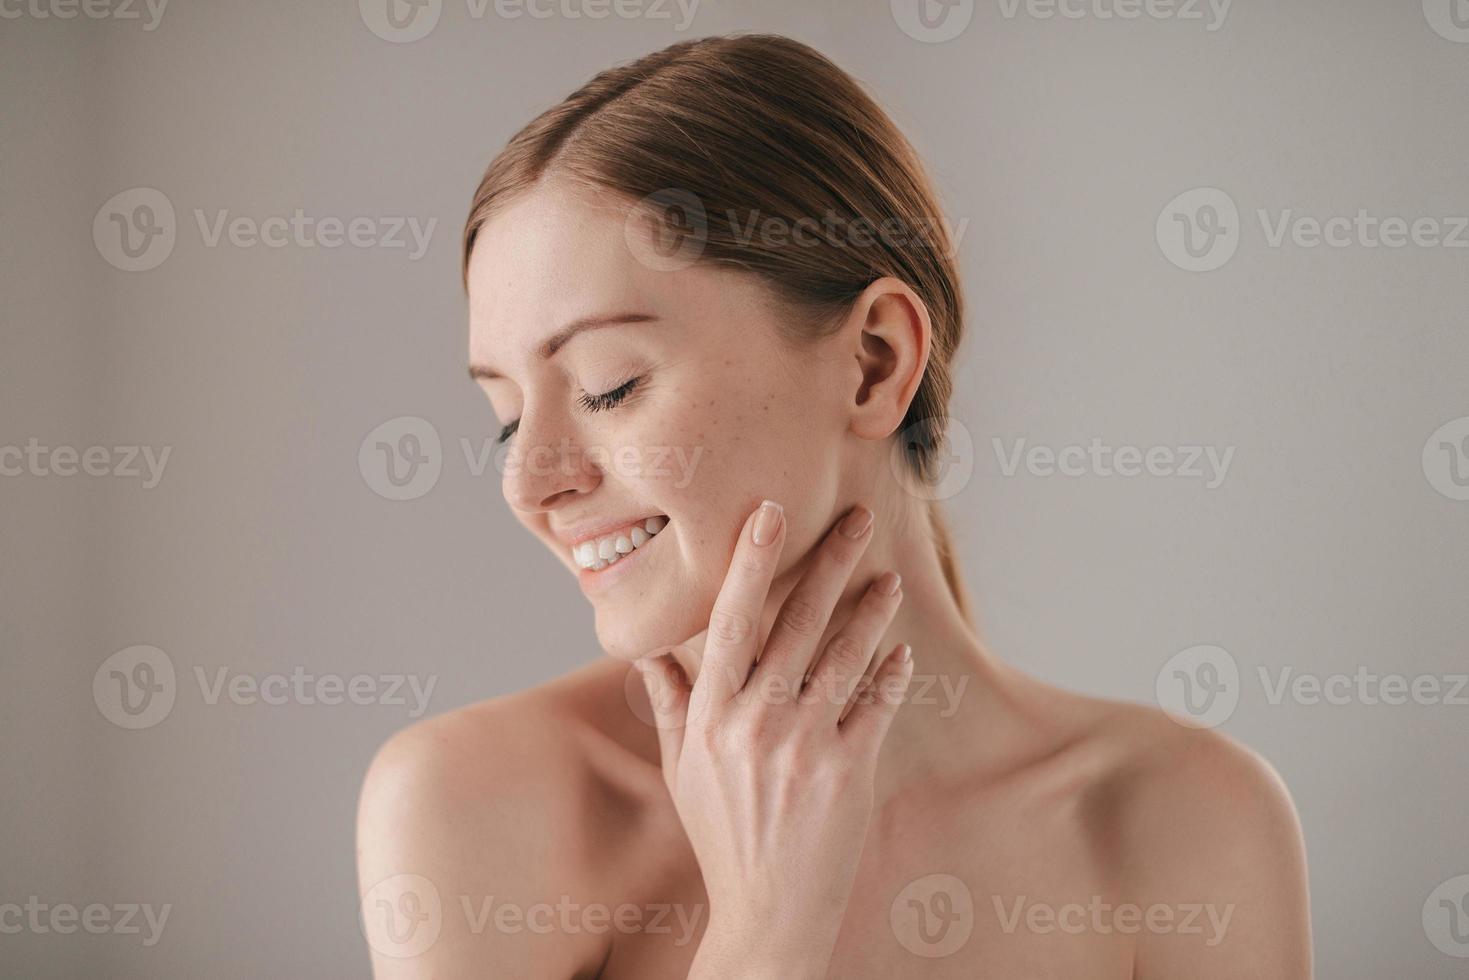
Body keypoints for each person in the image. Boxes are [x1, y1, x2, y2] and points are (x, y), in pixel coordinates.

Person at [356, 33, 1312, 978]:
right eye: (505, 419)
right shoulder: (477, 808)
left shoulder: (1186, 823)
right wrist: (765, 929)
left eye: (608, 387)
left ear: (874, 363)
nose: (530, 483)